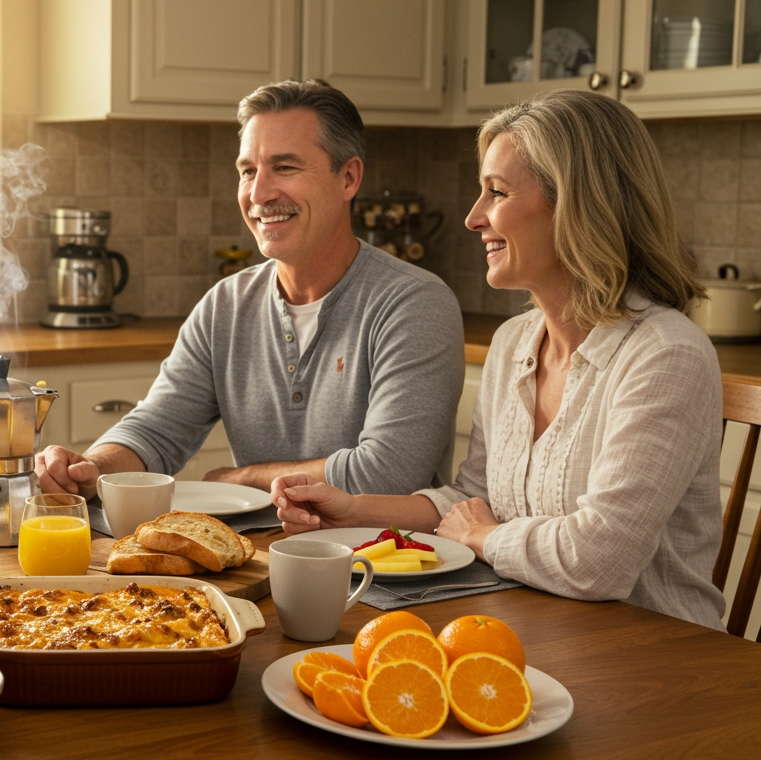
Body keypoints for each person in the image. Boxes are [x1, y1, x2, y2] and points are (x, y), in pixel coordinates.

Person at [272, 88, 727, 629]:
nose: (472, 217)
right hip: (534, 633)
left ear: (579, 206)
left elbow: (599, 561)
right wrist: (352, 509)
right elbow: (473, 498)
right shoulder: (514, 343)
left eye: (497, 193)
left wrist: (483, 536)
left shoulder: (665, 356)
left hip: (657, 666)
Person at [37, 79, 465, 501]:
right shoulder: (226, 305)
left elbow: (386, 473)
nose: (259, 193)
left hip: (386, 563)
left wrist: (243, 479)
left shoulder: (414, 304)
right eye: (248, 171)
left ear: (348, 178)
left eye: (285, 167)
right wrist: (93, 468)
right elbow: (156, 430)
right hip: (259, 559)